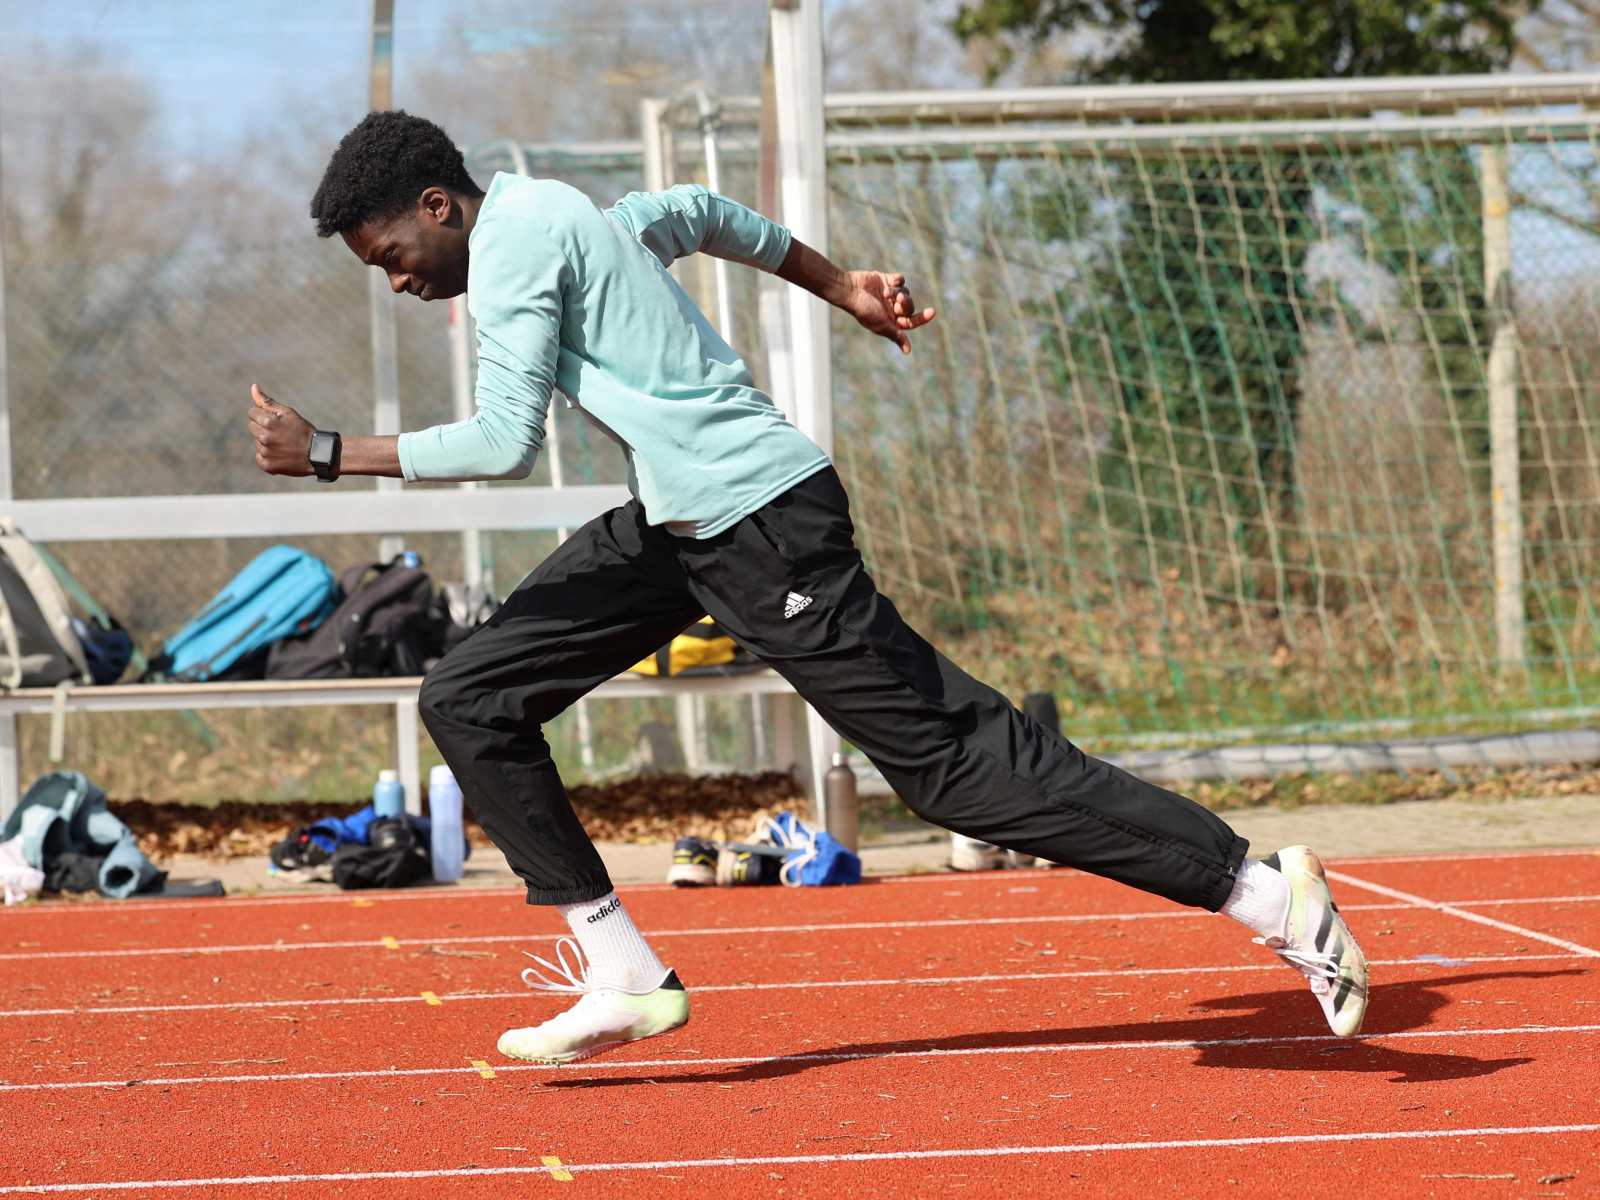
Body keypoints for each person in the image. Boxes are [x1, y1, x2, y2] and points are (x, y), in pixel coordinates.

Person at [249, 110, 1368, 1065]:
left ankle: (1265, 895)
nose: (399, 281)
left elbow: (502, 441)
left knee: (956, 769)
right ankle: (621, 968)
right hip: (683, 524)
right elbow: (699, 212)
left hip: (761, 528)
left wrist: (330, 453)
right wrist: (843, 286)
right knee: (470, 696)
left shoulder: (511, 252)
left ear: (436, 204)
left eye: (390, 255)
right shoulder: (568, 213)